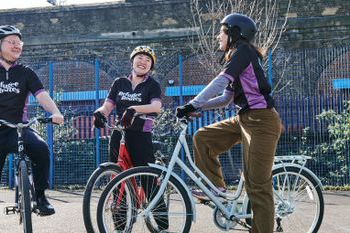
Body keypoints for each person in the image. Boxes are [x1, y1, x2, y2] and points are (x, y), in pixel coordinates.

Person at [176, 13, 282, 233]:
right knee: (203, 137)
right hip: (245, 118)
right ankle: (216, 187)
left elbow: (220, 81)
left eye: (221, 31)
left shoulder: (244, 51)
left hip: (262, 121)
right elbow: (225, 98)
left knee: (257, 186)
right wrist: (197, 108)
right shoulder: (237, 56)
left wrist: (193, 104)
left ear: (234, 33)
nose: (217, 36)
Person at [0, 25, 64, 233]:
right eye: (11, 42)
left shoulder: (25, 73)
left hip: (18, 128)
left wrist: (55, 112)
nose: (17, 46)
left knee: (40, 148)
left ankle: (40, 196)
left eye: (19, 42)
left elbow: (42, 95)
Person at [93, 46, 168, 232]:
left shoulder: (152, 85)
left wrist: (134, 109)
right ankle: (120, 227)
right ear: (132, 61)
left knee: (148, 180)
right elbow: (108, 105)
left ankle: (163, 226)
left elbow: (156, 107)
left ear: (151, 65)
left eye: (147, 60)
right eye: (139, 58)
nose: (143, 62)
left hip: (141, 134)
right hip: (120, 134)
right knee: (117, 179)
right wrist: (99, 113)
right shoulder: (119, 83)